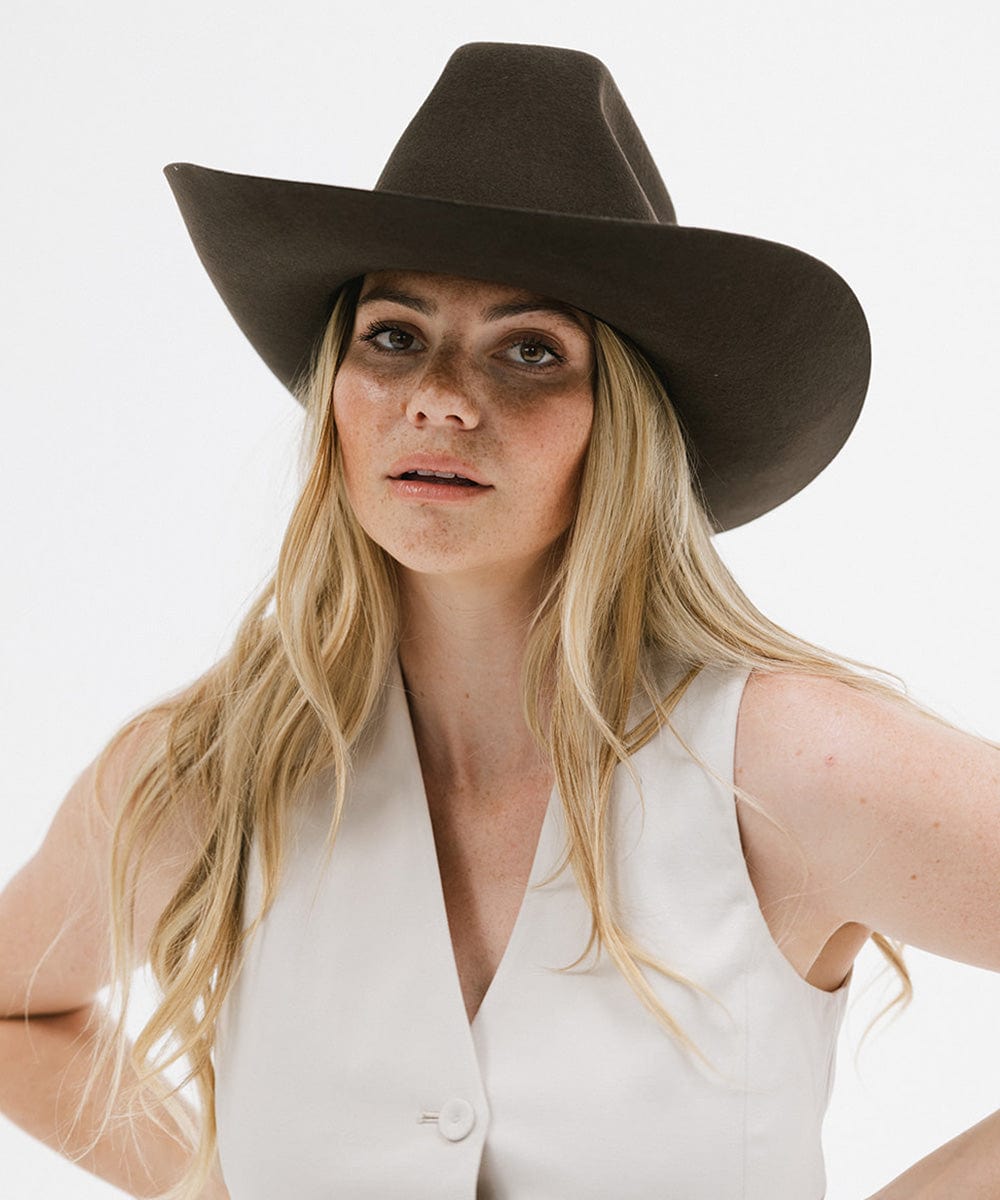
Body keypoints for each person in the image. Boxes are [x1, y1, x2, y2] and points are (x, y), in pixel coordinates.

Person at [1, 38, 999, 1200]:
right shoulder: (210, 777)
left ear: (620, 421)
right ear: (336, 393)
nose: (437, 396)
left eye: (530, 350)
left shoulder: (790, 762)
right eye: (392, 336)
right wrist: (203, 1182)